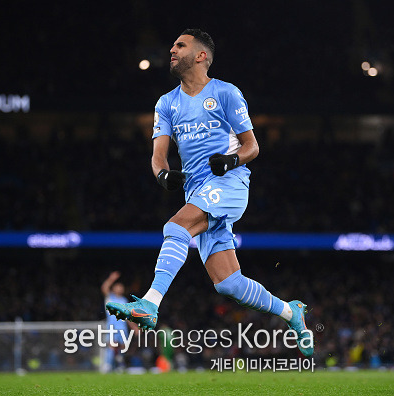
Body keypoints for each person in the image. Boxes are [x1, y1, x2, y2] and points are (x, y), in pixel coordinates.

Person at [107, 29, 313, 357]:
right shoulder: (167, 103)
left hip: (230, 185)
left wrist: (230, 160)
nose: (171, 50)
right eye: (173, 45)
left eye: (180, 45)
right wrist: (162, 175)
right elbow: (158, 155)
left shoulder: (226, 93)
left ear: (201, 55)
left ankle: (150, 303)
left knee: (176, 227)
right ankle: (291, 312)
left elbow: (252, 147)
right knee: (228, 284)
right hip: (197, 193)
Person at [101, 271, 134, 371]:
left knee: (123, 347)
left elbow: (128, 316)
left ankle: (120, 365)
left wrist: (134, 327)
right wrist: (111, 279)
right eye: (118, 286)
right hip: (112, 326)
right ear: (114, 288)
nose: (120, 288)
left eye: (121, 287)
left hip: (122, 327)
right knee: (112, 345)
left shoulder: (124, 300)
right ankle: (108, 365)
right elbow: (104, 288)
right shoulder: (110, 298)